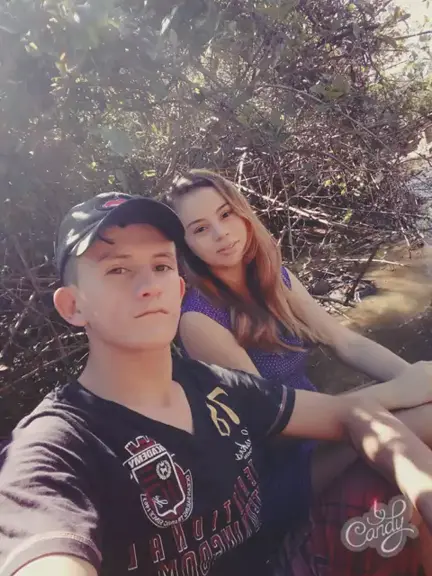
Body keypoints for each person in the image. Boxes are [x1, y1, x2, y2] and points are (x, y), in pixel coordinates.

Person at [1, 192, 432, 576]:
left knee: (390, 498)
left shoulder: (216, 387)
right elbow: (45, 543)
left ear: (178, 287)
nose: (149, 286)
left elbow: (352, 413)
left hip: (282, 555)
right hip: (286, 474)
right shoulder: (57, 445)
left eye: (161, 266)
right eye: (117, 269)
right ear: (72, 306)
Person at [166, 169, 431, 550]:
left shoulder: (274, 277)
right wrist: (399, 392)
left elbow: (344, 341)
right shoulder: (198, 319)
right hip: (279, 466)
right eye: (201, 229)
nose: (221, 233)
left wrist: (416, 378)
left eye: (225, 214)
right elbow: (275, 423)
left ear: (242, 212)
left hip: (331, 424)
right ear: (187, 246)